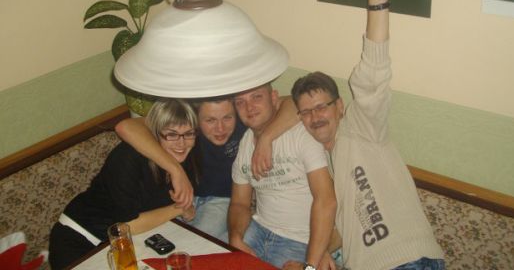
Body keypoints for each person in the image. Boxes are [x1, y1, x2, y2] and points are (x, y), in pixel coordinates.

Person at [289, 0, 445, 270]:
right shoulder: (324, 163)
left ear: (340, 106)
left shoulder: (361, 127)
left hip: (408, 260)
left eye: (322, 107)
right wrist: (318, 255)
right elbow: (345, 230)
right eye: (306, 112)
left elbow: (373, 73)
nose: (315, 117)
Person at [115, 96, 299, 243]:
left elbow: (295, 103)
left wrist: (266, 139)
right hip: (180, 199)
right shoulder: (188, 126)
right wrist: (176, 170)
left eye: (227, 118)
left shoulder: (242, 117)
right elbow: (126, 126)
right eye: (210, 120)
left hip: (221, 201)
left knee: (194, 246)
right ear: (196, 120)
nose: (220, 128)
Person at [48, 99, 198, 269]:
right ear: (155, 134)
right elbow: (127, 226)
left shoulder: (186, 159)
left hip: (128, 242)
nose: (181, 143)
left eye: (189, 134)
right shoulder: (127, 158)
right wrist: (179, 208)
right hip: (79, 239)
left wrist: (186, 209)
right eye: (171, 135)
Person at [228, 84, 337, 270]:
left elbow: (326, 200)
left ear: (274, 98)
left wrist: (310, 265)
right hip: (258, 229)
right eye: (240, 102)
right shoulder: (245, 143)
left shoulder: (301, 134)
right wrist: (235, 237)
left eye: (256, 97)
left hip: (301, 240)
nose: (249, 107)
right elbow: (239, 203)